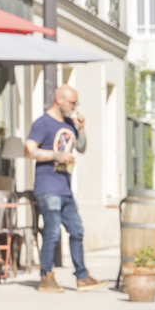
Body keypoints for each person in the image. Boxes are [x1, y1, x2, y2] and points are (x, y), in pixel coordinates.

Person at [25, 85, 108, 293]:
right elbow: (29, 150)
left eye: (76, 103)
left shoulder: (70, 123)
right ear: (59, 99)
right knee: (52, 233)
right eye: (72, 102)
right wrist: (56, 155)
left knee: (77, 231)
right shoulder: (42, 123)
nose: (74, 106)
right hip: (48, 186)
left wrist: (81, 128)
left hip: (65, 188)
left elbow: (81, 147)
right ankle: (46, 277)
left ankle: (82, 277)